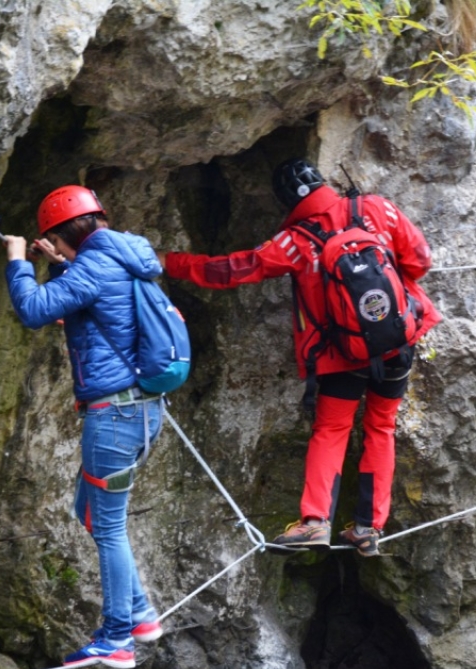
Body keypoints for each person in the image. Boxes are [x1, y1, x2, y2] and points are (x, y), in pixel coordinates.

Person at [159, 159, 440, 556]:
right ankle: (369, 528)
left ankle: (314, 523)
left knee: (332, 431)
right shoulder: (377, 208)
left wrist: (169, 262)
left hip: (343, 357)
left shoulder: (294, 241)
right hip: (398, 344)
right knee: (381, 427)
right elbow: (420, 261)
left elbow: (232, 270)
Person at [5, 185, 165, 669]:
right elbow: (92, 306)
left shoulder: (95, 265)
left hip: (115, 415)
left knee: (109, 525)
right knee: (90, 510)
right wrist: (57, 264)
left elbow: (34, 311)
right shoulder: (119, 255)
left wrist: (17, 261)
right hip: (140, 410)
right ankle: (140, 613)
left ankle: (117, 637)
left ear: (60, 232)